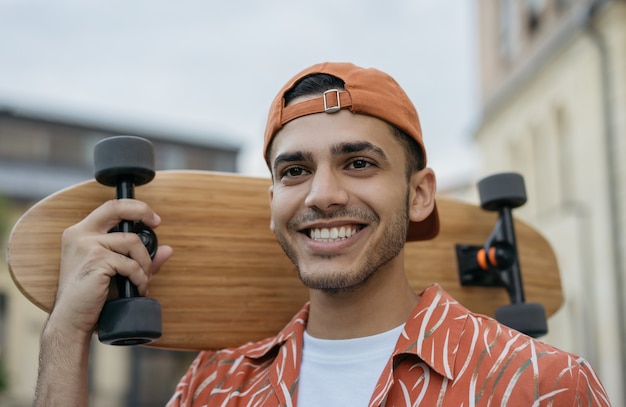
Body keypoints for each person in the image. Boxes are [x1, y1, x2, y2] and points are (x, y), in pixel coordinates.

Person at [34, 62, 611, 406]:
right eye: (294, 171)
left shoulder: (539, 385)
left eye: (358, 163)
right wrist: (65, 334)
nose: (321, 195)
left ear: (419, 194)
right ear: (273, 205)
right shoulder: (217, 387)